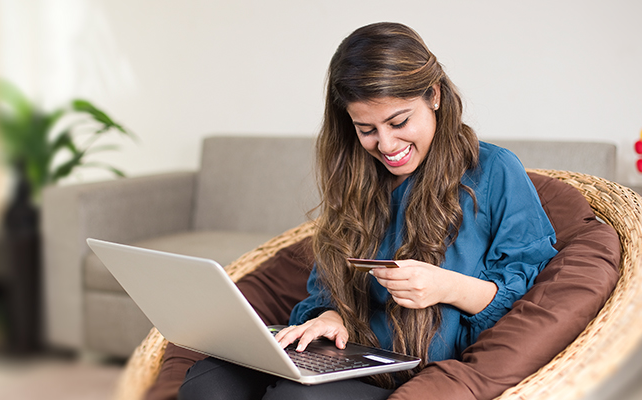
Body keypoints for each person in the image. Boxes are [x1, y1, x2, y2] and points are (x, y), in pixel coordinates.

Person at [176, 22, 559, 400]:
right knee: (208, 381)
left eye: (399, 121)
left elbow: (531, 301)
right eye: (366, 128)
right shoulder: (358, 177)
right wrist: (328, 317)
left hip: (417, 375)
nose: (387, 144)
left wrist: (447, 286)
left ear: (435, 95)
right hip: (348, 356)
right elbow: (324, 288)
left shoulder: (494, 171)